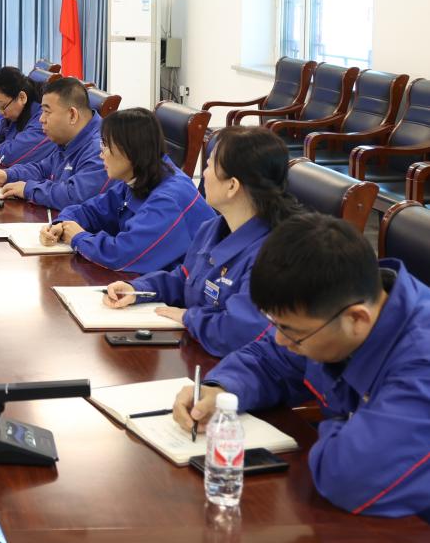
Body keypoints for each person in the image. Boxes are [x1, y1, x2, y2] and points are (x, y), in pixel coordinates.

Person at [174, 214, 430, 519]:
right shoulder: (337, 310)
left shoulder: (421, 364)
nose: (280, 339)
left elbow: (348, 478)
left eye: (292, 332)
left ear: (357, 319)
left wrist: (342, 426)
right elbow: (268, 359)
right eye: (276, 324)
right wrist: (221, 390)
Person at [103, 127, 300, 355]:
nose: (204, 174)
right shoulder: (212, 228)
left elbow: (238, 332)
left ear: (232, 186)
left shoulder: (273, 257)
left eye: (209, 165)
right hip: (198, 350)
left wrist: (189, 317)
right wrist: (138, 289)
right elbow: (185, 278)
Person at [42, 108, 215, 274]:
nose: (101, 154)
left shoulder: (169, 199)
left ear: (131, 150)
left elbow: (123, 255)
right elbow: (93, 211)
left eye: (105, 145)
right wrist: (62, 224)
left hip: (190, 287)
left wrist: (78, 237)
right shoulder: (140, 176)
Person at [0, 77, 106, 210]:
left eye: (47, 112)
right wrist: (7, 175)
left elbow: (75, 196)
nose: (41, 119)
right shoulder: (69, 138)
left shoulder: (101, 148)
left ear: (72, 115)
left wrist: (28, 189)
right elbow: (42, 169)